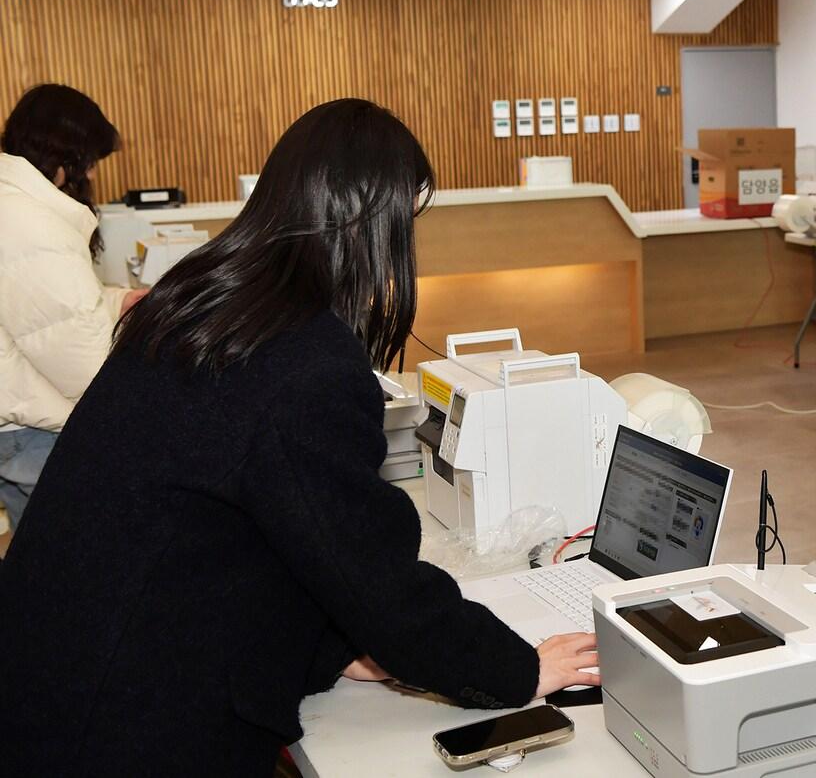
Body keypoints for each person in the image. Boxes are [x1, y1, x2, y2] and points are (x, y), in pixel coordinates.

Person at [0, 99, 599, 775]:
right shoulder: (302, 360)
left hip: (51, 684)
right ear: (368, 225)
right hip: (123, 727)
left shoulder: (202, 301)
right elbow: (373, 578)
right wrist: (519, 669)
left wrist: (338, 650)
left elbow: (238, 534)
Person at [0, 84, 141, 534]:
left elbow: (43, 316)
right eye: (91, 162)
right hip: (36, 430)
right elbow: (84, 366)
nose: (92, 175)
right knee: (67, 562)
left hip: (17, 422)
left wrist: (118, 300)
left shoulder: (16, 208)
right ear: (65, 158)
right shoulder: (32, 225)